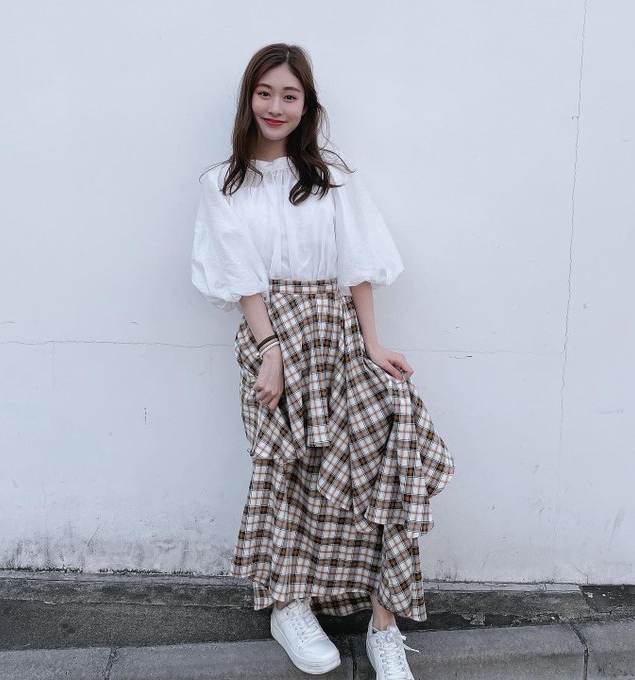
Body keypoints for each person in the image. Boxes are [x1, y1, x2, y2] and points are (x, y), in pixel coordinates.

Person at [191, 42, 455, 679]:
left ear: (306, 105)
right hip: (272, 333)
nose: (276, 107)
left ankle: (384, 624)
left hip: (336, 331)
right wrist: (271, 353)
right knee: (286, 469)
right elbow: (242, 279)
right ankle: (289, 604)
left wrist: (373, 344)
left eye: (290, 95)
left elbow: (357, 263)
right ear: (248, 98)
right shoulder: (222, 183)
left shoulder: (331, 176)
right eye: (265, 93)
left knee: (393, 440)